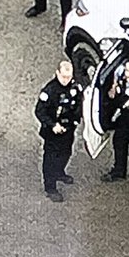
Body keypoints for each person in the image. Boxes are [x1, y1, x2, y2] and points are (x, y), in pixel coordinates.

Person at [35, 59, 82, 202]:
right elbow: (39, 112)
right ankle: (50, 187)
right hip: (52, 132)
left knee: (66, 152)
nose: (66, 80)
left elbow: (78, 105)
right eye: (64, 77)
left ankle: (60, 172)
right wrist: (52, 125)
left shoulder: (74, 88)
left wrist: (75, 121)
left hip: (68, 129)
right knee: (50, 158)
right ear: (57, 73)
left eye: (69, 77)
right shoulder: (49, 91)